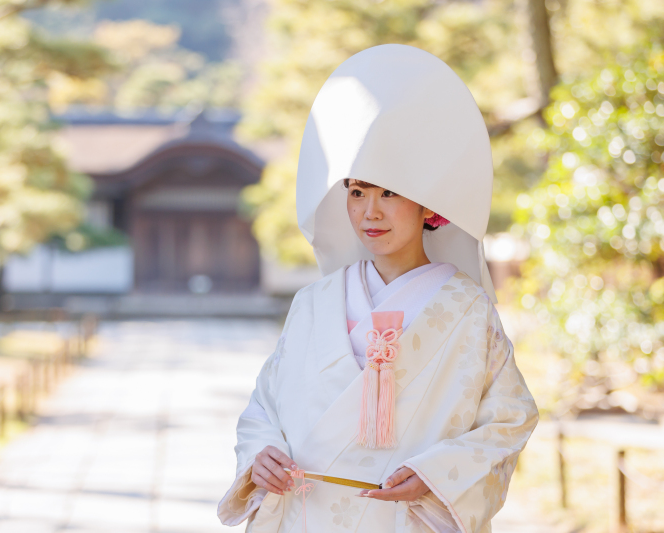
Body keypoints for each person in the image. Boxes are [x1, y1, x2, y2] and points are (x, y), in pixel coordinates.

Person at [217, 44, 538, 533]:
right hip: (308, 514)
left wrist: (435, 475)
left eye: (390, 193)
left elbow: (509, 418)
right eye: (357, 191)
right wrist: (262, 456)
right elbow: (265, 406)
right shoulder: (313, 304)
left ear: (427, 205)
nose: (370, 212)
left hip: (407, 518)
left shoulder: (469, 311)